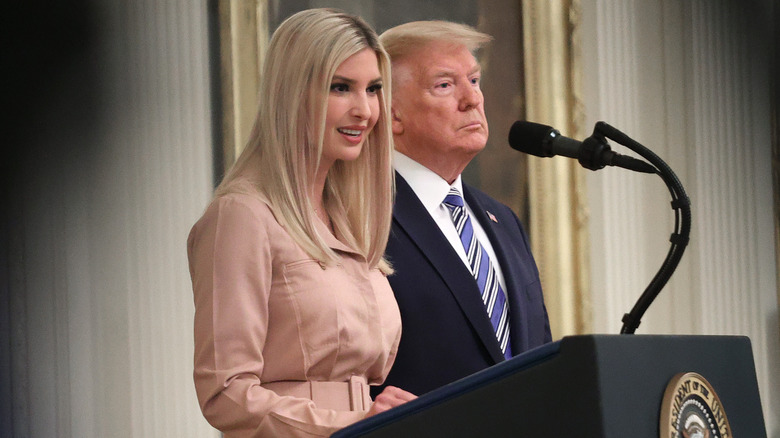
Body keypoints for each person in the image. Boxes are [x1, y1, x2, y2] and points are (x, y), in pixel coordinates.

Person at [187, 9, 415, 437]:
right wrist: (350, 423)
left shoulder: (347, 221)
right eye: (340, 88)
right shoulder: (241, 216)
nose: (364, 110)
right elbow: (225, 392)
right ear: (292, 93)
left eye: (373, 89)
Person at [374, 21, 553, 397]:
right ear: (392, 116)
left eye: (473, 80)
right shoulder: (364, 216)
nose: (472, 99)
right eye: (444, 85)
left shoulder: (502, 220)